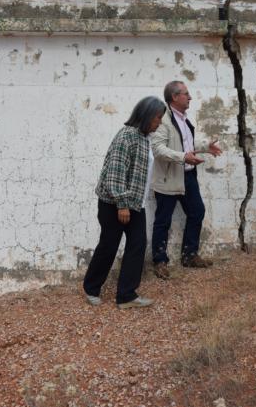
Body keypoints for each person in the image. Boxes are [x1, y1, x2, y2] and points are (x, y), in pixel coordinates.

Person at [83, 96, 167, 308]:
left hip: (134, 203)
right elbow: (114, 173)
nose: (159, 122)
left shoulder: (144, 138)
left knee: (137, 245)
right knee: (109, 245)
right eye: (158, 118)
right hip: (115, 203)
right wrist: (121, 204)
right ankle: (91, 288)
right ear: (147, 115)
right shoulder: (127, 137)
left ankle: (126, 295)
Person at [149, 81, 223, 280]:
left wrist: (206, 146)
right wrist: (183, 157)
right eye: (186, 94)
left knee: (197, 212)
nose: (190, 97)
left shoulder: (183, 119)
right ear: (175, 97)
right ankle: (160, 261)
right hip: (168, 179)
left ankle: (189, 255)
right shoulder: (163, 119)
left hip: (188, 176)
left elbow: (185, 143)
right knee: (163, 221)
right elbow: (158, 150)